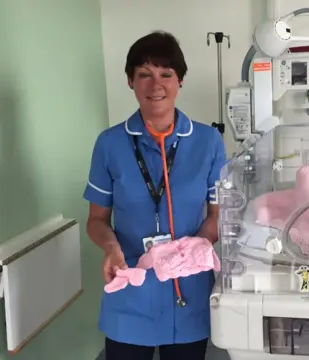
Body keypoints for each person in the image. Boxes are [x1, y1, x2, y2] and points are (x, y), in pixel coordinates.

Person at [83, 31, 226, 360]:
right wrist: (111, 248)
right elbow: (96, 220)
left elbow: (218, 216)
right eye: (144, 74)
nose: (155, 85)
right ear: (130, 81)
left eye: (166, 74)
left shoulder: (207, 142)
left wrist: (198, 245)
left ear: (180, 81)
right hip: (130, 286)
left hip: (187, 289)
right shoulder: (110, 144)